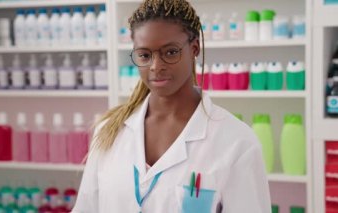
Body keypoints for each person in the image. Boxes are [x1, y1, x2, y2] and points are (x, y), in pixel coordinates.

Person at [71, 0, 271, 212]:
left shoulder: (236, 142)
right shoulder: (109, 131)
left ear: (194, 48)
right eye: (145, 55)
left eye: (170, 52)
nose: (156, 66)